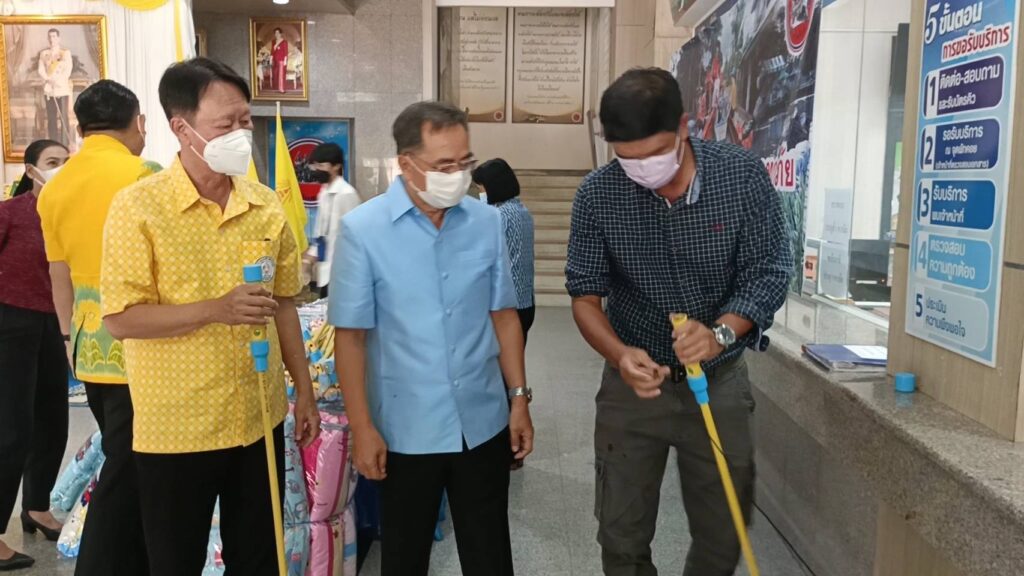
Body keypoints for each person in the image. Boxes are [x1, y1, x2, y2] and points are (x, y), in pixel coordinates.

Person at [565, 68, 791, 576]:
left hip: (719, 381)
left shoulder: (740, 177)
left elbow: (769, 271)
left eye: (654, 153)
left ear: (684, 127)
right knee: (620, 533)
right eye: (627, 159)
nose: (643, 170)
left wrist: (720, 334)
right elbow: (585, 295)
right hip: (633, 387)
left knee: (722, 530)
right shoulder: (598, 195)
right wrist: (620, 355)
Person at [100, 57, 320, 576]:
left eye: (246, 120)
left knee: (259, 558)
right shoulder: (139, 208)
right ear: (182, 128)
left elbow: (285, 303)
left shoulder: (264, 205)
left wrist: (304, 390)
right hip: (178, 428)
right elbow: (122, 319)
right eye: (226, 124)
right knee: (175, 560)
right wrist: (216, 310)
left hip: (258, 418)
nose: (241, 134)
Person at [331, 101, 534, 576]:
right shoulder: (364, 230)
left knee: (490, 556)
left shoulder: (486, 222)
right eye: (444, 166)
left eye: (465, 162)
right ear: (406, 164)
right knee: (405, 558)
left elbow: (504, 316)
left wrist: (519, 398)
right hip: (405, 430)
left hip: (482, 422)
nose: (458, 176)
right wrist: (362, 427)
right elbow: (351, 338)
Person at [36, 79, 157, 576]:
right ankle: (99, 563)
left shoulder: (55, 186)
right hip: (142, 341)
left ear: (81, 128)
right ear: (137, 123)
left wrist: (69, 338)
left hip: (88, 343)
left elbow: (58, 273)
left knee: (126, 458)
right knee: (129, 466)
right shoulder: (146, 175)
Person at [0, 139, 70, 572]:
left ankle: (37, 507)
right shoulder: (10, 212)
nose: (61, 168)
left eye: (66, 162)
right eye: (52, 162)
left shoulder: (70, 213)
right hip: (9, 322)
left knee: (52, 422)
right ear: (31, 170)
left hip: (54, 324)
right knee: (11, 430)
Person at [305, 142, 360, 297]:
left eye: (321, 165)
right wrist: (309, 259)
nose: (317, 170)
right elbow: (321, 232)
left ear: (336, 166)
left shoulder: (346, 194)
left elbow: (354, 235)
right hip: (326, 269)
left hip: (343, 271)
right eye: (315, 165)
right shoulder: (324, 192)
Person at [37, 29, 74, 146]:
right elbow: (41, 69)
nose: (51, 39)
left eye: (54, 36)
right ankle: (53, 142)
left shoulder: (65, 53)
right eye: (50, 37)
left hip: (61, 89)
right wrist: (48, 79)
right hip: (49, 90)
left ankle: (64, 143)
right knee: (51, 117)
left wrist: (56, 80)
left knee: (63, 117)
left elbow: (67, 70)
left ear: (58, 38)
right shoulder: (44, 54)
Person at [271, 28, 288, 93]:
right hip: (275, 60)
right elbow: (272, 51)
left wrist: (285, 61)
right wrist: (271, 59)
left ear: (280, 34)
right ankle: (277, 87)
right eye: (275, 33)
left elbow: (286, 52)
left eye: (278, 33)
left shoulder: (284, 42)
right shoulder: (273, 42)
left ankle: (282, 89)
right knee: (276, 74)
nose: (276, 34)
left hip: (281, 60)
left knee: (281, 75)